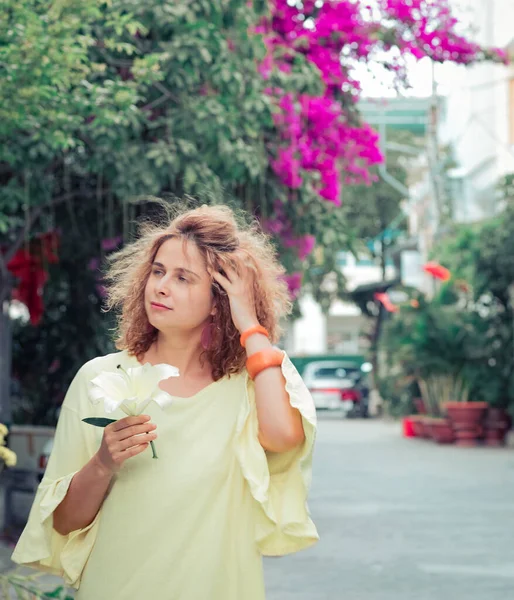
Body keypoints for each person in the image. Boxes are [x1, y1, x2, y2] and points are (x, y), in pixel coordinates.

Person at [12, 203, 319, 599]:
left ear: (218, 299)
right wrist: (104, 461)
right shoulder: (101, 379)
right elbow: (64, 522)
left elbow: (283, 437)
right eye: (157, 271)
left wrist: (249, 323)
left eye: (183, 278)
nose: (160, 286)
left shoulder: (255, 380)